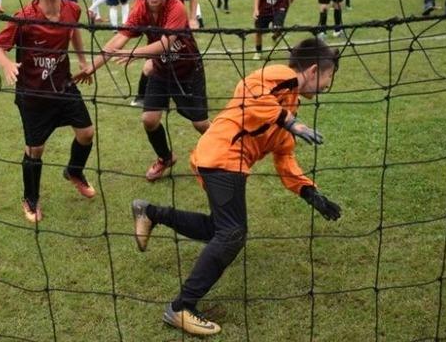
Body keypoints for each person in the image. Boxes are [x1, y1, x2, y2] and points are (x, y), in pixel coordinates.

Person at [131, 37, 342, 336]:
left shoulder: (288, 104)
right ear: (311, 71)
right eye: (327, 76)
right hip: (222, 156)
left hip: (221, 160)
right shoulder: (283, 77)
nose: (326, 85)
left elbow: (284, 154)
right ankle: (181, 307)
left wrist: (309, 191)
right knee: (232, 233)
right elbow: (249, 89)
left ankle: (150, 212)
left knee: (219, 229)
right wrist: (289, 121)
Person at [75, 0, 210, 181]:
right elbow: (119, 39)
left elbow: (166, 43)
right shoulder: (141, 10)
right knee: (149, 119)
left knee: (200, 124)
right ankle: (165, 158)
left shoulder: (175, 7)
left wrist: (133, 53)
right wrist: (92, 67)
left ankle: (227, 146)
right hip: (161, 70)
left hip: (187, 71)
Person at [0, 0, 96, 222]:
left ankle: (74, 170)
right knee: (35, 150)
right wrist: (7, 65)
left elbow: (73, 31)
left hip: (63, 87)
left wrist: (83, 60)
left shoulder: (72, 8)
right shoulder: (24, 18)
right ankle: (30, 198)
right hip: (33, 96)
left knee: (86, 133)